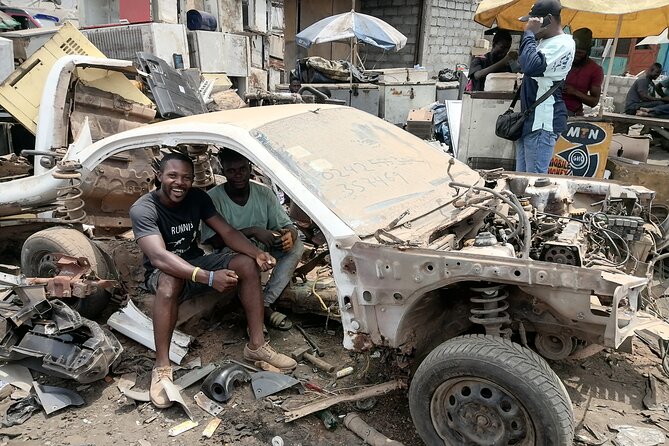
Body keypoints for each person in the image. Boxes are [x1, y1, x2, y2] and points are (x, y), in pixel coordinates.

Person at [129, 152, 297, 409]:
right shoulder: (144, 208)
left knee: (246, 264)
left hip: (195, 262)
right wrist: (207, 277)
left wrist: (257, 253)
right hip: (163, 272)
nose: (179, 183)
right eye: (172, 175)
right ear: (159, 175)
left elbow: (227, 231)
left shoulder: (197, 198)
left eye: (186, 177)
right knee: (169, 282)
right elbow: (159, 257)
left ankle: (256, 346)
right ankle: (162, 366)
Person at [202, 149, 304, 331]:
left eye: (242, 169)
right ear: (223, 171)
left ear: (250, 168)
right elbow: (213, 242)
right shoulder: (213, 198)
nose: (238, 175)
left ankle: (264, 302)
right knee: (246, 261)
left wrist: (290, 235)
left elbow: (287, 225)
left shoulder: (264, 194)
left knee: (296, 248)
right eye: (231, 171)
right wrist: (253, 231)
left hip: (262, 250)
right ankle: (256, 315)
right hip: (229, 255)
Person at [515, 0, 575, 174]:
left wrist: (529, 33)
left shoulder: (563, 44)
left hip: (542, 122)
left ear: (549, 19)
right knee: (521, 179)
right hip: (530, 121)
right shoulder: (545, 42)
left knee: (533, 182)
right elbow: (525, 62)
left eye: (534, 22)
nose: (530, 26)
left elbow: (531, 66)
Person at [563, 28, 604, 116]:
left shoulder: (595, 70)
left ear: (587, 52)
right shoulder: (561, 60)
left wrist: (574, 92)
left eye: (580, 54)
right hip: (548, 108)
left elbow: (594, 102)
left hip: (571, 113)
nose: (576, 57)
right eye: (574, 53)